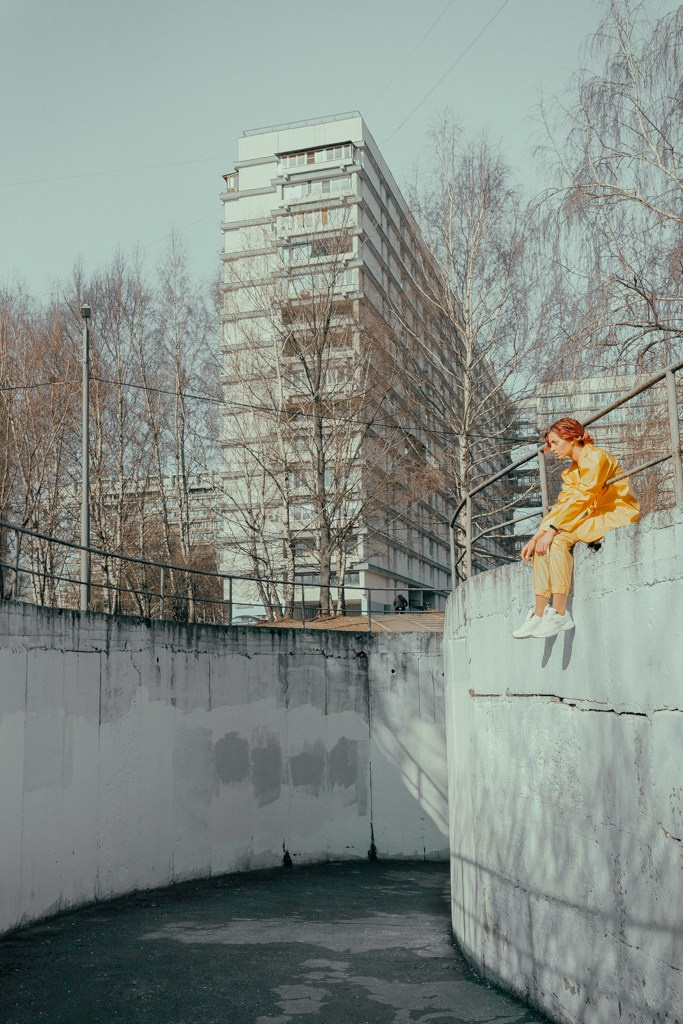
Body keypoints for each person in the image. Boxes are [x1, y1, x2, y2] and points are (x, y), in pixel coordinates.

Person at [513, 417, 640, 639]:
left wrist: (553, 530)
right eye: (550, 444)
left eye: (555, 442)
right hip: (594, 516)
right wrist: (538, 536)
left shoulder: (595, 457)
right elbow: (564, 504)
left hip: (616, 514)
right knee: (545, 544)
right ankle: (539, 613)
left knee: (559, 540)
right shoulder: (573, 471)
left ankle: (560, 613)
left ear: (573, 437)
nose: (552, 449)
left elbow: (583, 497)